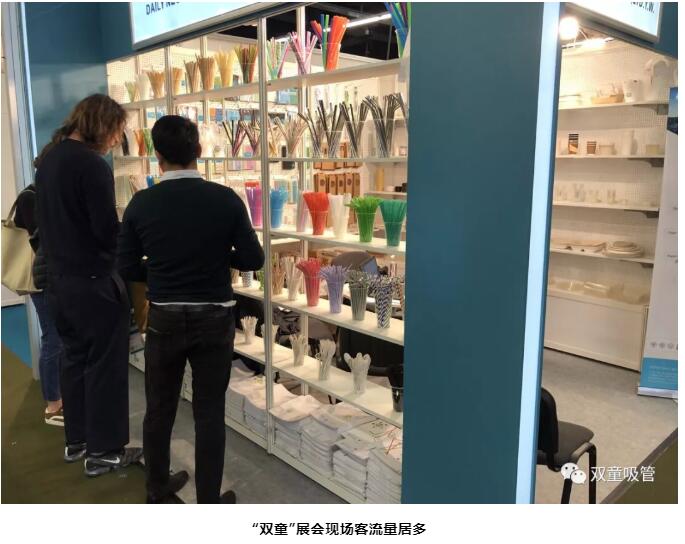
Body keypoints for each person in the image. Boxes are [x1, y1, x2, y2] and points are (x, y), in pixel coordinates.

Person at [118, 115, 264, 504]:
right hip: (214, 317)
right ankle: (208, 502)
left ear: (157, 155)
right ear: (198, 151)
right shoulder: (226, 199)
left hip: (164, 316)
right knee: (209, 413)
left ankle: (157, 490)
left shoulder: (141, 203)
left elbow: (126, 266)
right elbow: (254, 259)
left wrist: (159, 270)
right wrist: (217, 258)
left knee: (159, 408)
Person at [34, 94, 142, 476]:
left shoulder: (49, 159)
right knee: (105, 366)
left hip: (59, 282)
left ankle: (77, 440)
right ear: (103, 125)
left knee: (74, 359)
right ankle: (105, 451)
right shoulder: (91, 165)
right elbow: (104, 231)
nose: (116, 141)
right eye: (116, 132)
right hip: (93, 282)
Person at [13, 184, 64, 426]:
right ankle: (52, 404)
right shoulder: (30, 197)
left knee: (54, 338)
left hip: (45, 277)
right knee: (52, 338)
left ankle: (56, 396)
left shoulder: (38, 196)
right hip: (41, 280)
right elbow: (42, 240)